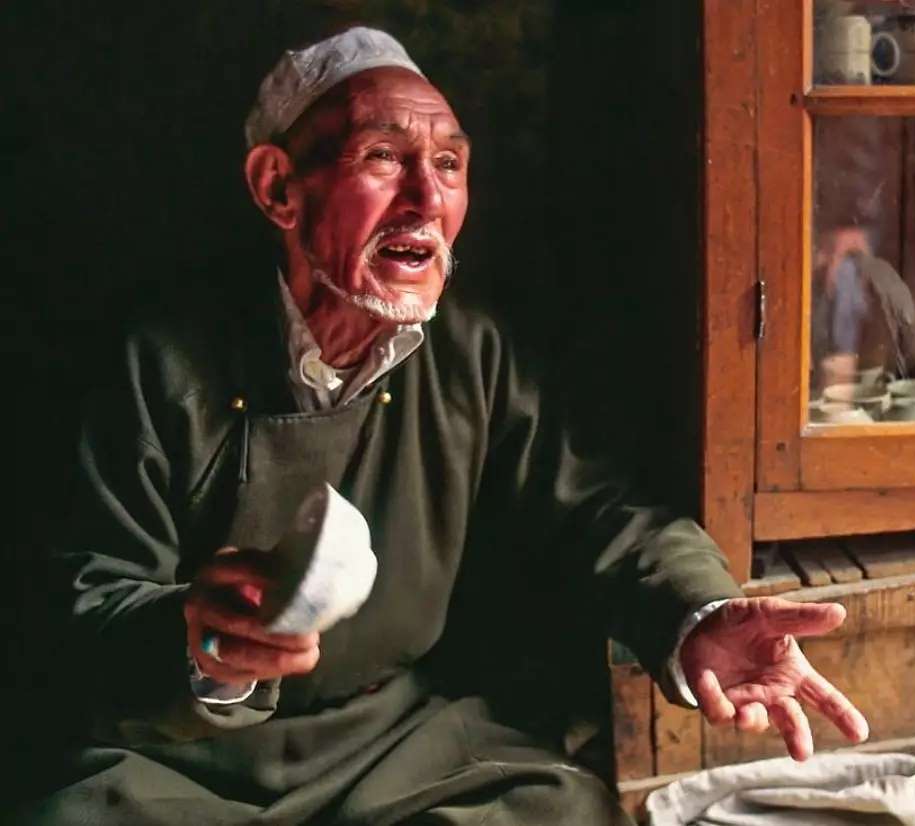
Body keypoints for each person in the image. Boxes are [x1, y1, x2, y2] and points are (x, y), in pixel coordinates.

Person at [19, 27, 868, 825]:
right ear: (278, 188)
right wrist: (197, 643)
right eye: (383, 158)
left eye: (450, 164)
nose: (426, 198)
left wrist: (698, 613)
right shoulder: (157, 360)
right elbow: (87, 603)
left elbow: (596, 511)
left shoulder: (470, 351)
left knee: (560, 808)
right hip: (175, 759)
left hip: (392, 745)